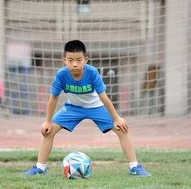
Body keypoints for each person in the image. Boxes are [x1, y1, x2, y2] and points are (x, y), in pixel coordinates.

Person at [22, 40, 150, 176]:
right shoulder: (61, 74)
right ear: (64, 60)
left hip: (96, 107)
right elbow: (53, 98)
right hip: (73, 107)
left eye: (78, 60)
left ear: (86, 60)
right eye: (70, 60)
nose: (75, 64)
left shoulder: (92, 73)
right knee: (48, 131)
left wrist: (117, 118)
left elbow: (104, 97)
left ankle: (134, 167)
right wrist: (47, 121)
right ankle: (40, 168)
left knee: (122, 129)